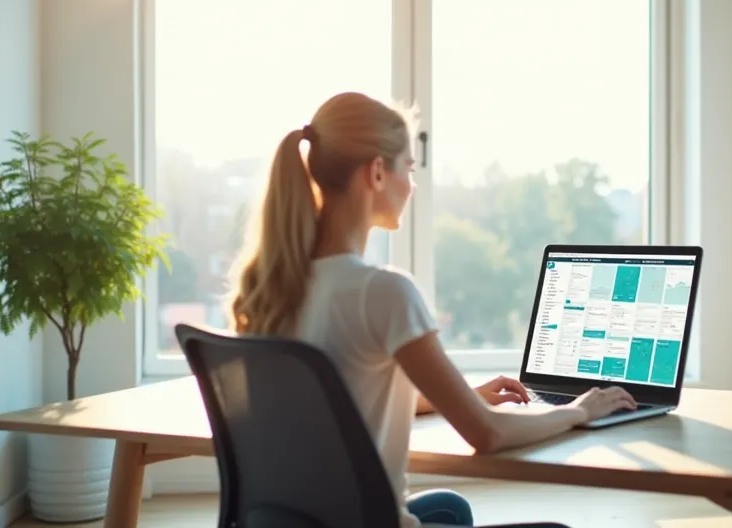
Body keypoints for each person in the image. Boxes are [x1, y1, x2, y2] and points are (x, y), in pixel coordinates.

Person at [225, 92, 636, 528]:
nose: (413, 184)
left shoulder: (273, 288)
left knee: (449, 508)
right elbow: (488, 435)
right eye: (409, 168)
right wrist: (580, 411)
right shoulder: (382, 292)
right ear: (378, 173)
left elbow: (342, 395)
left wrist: (462, 399)